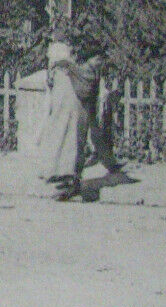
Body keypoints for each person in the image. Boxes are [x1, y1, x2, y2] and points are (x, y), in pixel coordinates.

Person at [36, 41, 86, 198]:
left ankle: (67, 180)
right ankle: (66, 177)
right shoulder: (66, 72)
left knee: (66, 137)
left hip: (67, 106)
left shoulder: (63, 73)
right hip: (68, 106)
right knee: (65, 137)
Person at [72, 42, 125, 175]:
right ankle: (76, 171)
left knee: (97, 136)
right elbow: (81, 91)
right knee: (80, 141)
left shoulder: (96, 70)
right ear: (90, 59)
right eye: (97, 59)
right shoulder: (82, 70)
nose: (100, 62)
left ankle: (110, 164)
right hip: (80, 109)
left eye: (101, 59)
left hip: (90, 108)